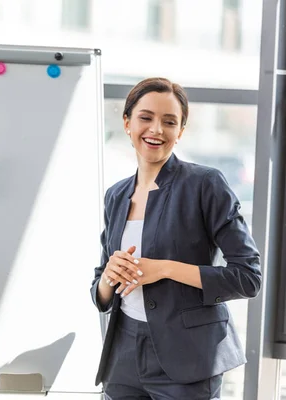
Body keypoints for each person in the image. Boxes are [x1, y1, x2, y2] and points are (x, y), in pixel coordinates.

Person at [90, 77, 262, 399]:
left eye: (169, 122)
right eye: (145, 118)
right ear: (127, 123)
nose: (156, 130)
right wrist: (108, 279)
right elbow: (101, 288)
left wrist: (166, 268)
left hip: (188, 358)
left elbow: (248, 277)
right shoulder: (116, 196)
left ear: (180, 132)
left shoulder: (205, 185)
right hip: (124, 355)